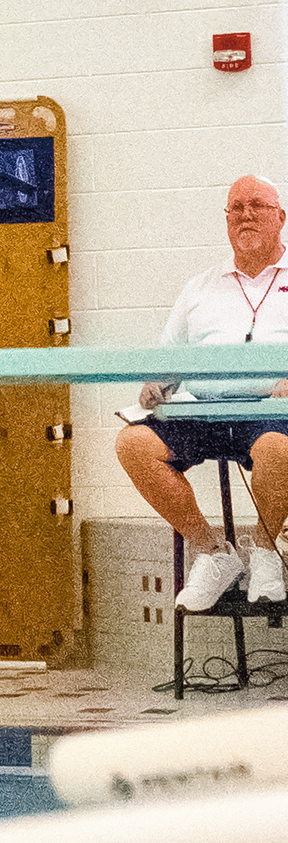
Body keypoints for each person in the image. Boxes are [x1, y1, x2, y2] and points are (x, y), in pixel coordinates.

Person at [115, 174, 288, 614]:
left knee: (278, 449)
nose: (246, 215)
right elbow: (169, 359)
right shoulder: (200, 287)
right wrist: (157, 384)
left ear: (281, 217)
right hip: (203, 411)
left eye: (257, 205)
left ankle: (265, 550)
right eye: (236, 208)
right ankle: (213, 553)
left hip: (271, 412)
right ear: (227, 220)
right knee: (133, 444)